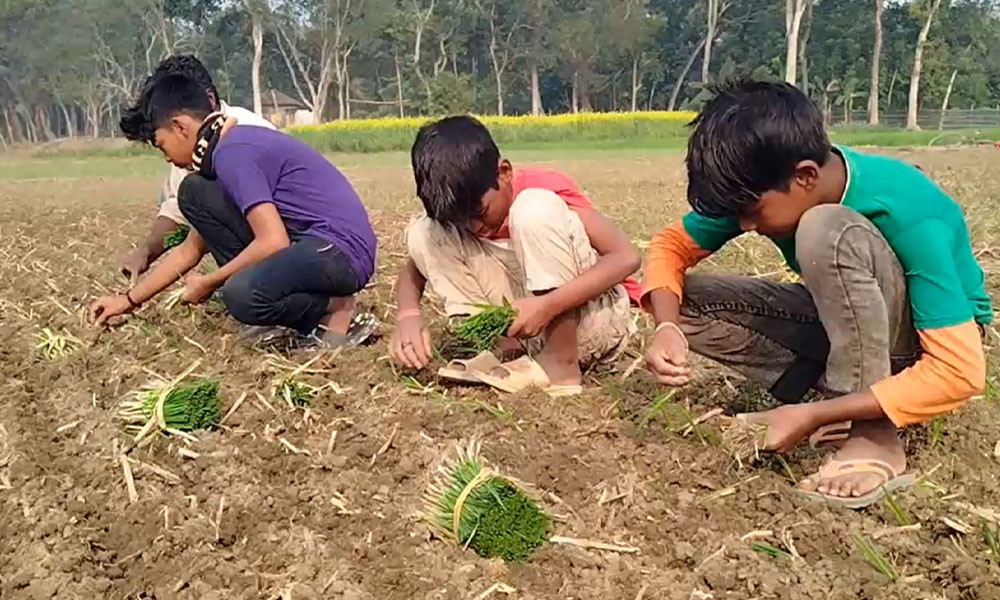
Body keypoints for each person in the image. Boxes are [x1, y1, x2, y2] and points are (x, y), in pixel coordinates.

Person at [642, 79, 991, 508]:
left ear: (805, 176)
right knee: (687, 302)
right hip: (848, 325)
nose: (746, 227)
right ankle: (832, 391)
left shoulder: (909, 207)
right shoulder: (771, 181)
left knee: (826, 230)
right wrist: (666, 327)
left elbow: (961, 371)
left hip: (919, 344)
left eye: (752, 214)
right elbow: (669, 247)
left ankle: (871, 434)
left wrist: (812, 416)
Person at [90, 73, 377, 348]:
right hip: (315, 247)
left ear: (180, 126)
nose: (166, 157)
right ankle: (278, 313)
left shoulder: (232, 153)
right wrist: (127, 301)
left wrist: (210, 282)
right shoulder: (222, 154)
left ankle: (336, 308)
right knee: (193, 193)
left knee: (240, 294)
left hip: (339, 251)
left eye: (162, 146)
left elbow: (273, 241)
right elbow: (190, 250)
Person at [389, 115, 641, 396]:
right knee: (425, 231)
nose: (474, 228)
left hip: (591, 322)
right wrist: (407, 317)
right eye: (460, 222)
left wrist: (548, 305)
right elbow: (415, 268)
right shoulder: (467, 220)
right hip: (525, 331)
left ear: (504, 172)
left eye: (479, 213)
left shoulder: (541, 190)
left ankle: (561, 362)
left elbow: (626, 257)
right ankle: (503, 349)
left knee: (532, 210)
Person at [120, 55, 275, 285]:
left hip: (291, 246)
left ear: (208, 98)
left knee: (193, 191)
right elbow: (179, 218)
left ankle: (258, 289)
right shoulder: (191, 147)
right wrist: (146, 253)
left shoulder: (243, 136)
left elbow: (272, 234)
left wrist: (212, 281)